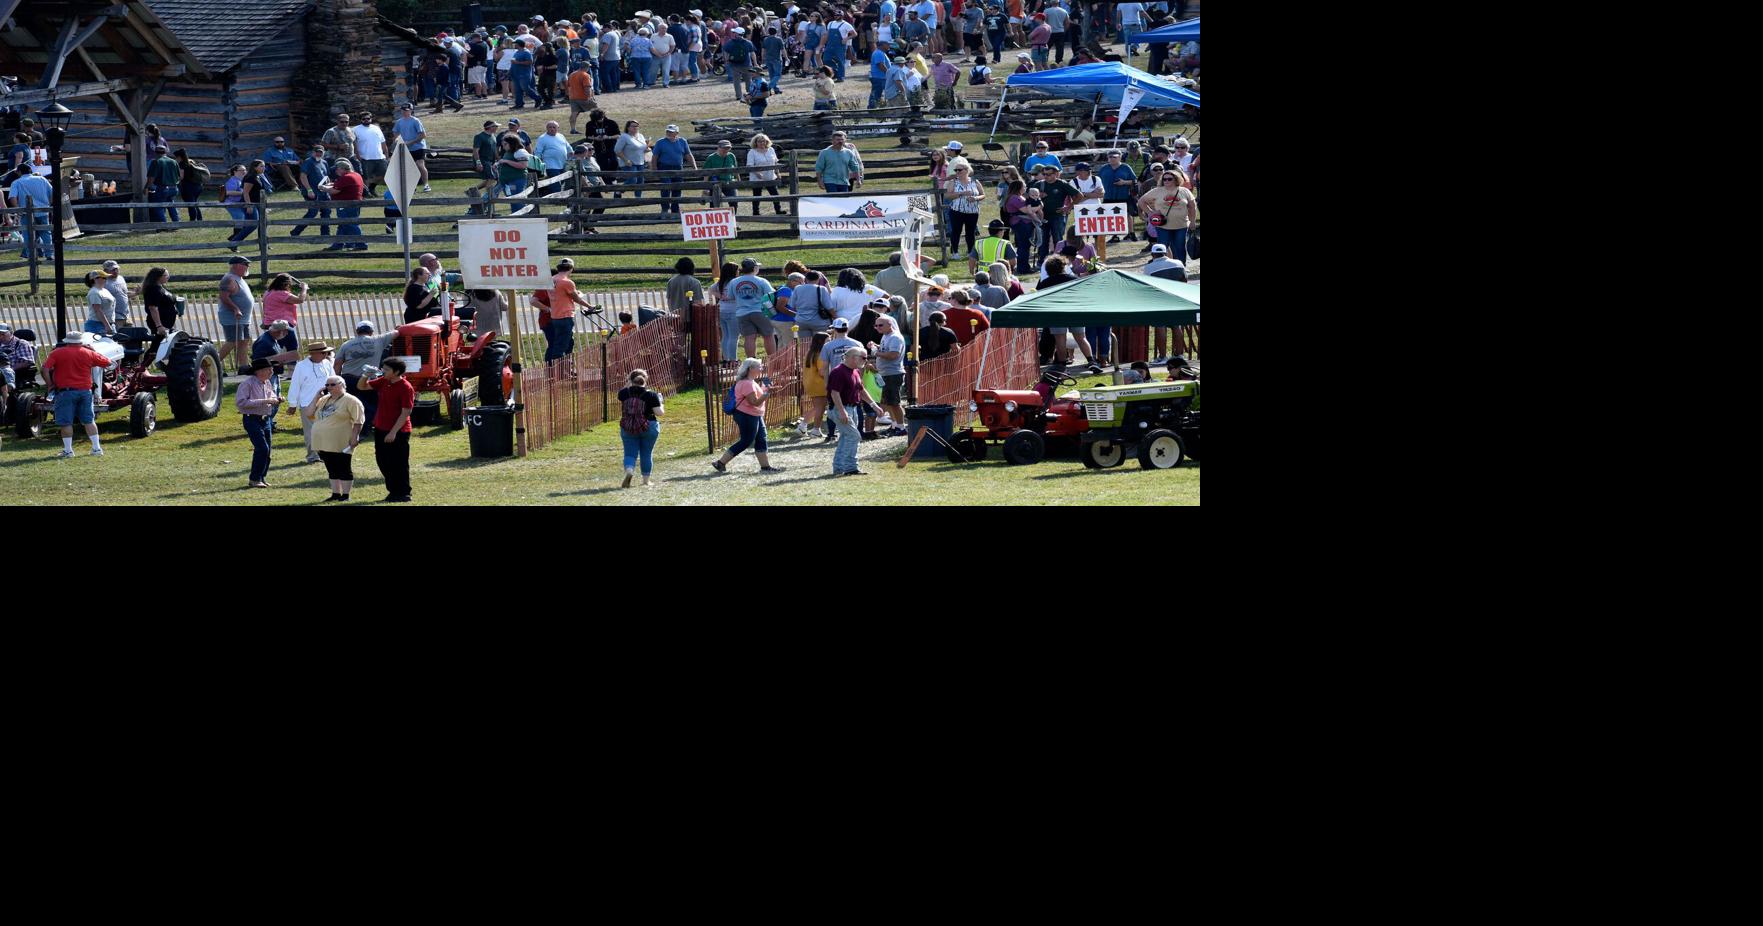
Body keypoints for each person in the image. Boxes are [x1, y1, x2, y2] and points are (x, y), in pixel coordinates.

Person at [42, 332, 111, 459]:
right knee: (89, 420)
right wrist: (93, 350)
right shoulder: (88, 352)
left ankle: (68, 450)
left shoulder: (57, 353)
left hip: (65, 392)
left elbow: (45, 369)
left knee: (66, 422)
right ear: (81, 341)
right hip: (85, 391)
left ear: (67, 341)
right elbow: (107, 362)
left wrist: (50, 384)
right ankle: (96, 448)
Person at [711, 357, 781, 473]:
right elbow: (754, 402)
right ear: (750, 369)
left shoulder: (751, 382)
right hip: (747, 415)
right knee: (746, 441)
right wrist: (767, 393)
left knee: (761, 439)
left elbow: (758, 398)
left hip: (754, 415)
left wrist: (767, 390)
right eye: (759, 366)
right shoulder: (747, 384)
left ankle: (765, 467)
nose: (761, 368)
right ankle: (720, 463)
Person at [360, 357, 415, 502]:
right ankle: (393, 491)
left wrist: (393, 432)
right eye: (383, 368)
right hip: (380, 428)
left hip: (398, 431)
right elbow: (362, 387)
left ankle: (404, 493)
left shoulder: (406, 387)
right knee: (383, 461)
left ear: (396, 372)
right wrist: (366, 374)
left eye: (386, 369)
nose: (383, 371)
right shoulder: (384, 381)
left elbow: (406, 412)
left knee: (399, 463)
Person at [306, 374, 365, 502]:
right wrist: (316, 396)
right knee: (331, 468)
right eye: (327, 385)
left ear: (342, 385)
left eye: (333, 384)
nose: (329, 387)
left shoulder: (351, 400)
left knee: (343, 467)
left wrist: (355, 437)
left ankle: (345, 495)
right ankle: (335, 494)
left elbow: (358, 421)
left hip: (341, 441)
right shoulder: (324, 399)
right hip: (322, 440)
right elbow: (309, 413)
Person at [827, 345, 879, 475]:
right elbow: (834, 393)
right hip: (842, 409)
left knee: (847, 437)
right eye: (863, 358)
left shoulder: (855, 371)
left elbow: (861, 390)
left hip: (853, 409)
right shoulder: (838, 371)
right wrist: (842, 411)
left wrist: (873, 405)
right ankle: (846, 467)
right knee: (854, 436)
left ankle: (844, 468)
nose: (865, 361)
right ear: (853, 358)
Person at [287, 341, 335, 464]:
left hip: (326, 402)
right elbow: (295, 386)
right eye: (323, 353)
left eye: (326, 353)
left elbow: (334, 380)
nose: (326, 355)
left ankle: (325, 453)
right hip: (308, 403)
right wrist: (292, 404)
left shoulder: (327, 364)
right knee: (312, 431)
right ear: (314, 354)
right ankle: (313, 456)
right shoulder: (301, 366)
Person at [235, 357, 281, 485]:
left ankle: (261, 477)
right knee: (262, 449)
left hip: (266, 420)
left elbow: (271, 395)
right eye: (268, 369)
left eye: (271, 369)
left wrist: (276, 399)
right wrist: (265, 401)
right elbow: (241, 403)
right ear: (258, 371)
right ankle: (254, 479)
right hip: (252, 419)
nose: (271, 371)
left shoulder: (267, 382)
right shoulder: (247, 384)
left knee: (268, 450)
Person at [616, 368, 664, 487]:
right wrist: (661, 402)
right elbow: (659, 413)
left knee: (629, 453)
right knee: (646, 453)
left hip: (628, 427)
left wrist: (629, 382)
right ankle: (646, 481)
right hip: (648, 426)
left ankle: (629, 471)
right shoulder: (651, 395)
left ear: (630, 380)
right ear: (645, 380)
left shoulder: (624, 394)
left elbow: (623, 390)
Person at [1138, 169, 1197, 258]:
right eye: (1164, 179)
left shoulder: (1184, 191)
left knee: (1180, 247)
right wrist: (1151, 213)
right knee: (1163, 247)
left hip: (1181, 225)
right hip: (1163, 226)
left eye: (1169, 179)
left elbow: (1192, 207)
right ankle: (1166, 266)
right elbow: (1141, 201)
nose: (1166, 181)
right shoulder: (1157, 191)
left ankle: (1181, 267)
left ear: (1176, 179)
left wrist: (1192, 221)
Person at [335, 320, 387, 421]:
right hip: (369, 379)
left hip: (349, 378)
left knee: (350, 403)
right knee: (369, 405)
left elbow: (337, 363)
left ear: (357, 331)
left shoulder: (346, 344)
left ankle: (351, 424)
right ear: (371, 331)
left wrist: (338, 380)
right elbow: (397, 332)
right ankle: (365, 428)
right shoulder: (379, 340)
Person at [727, 257, 776, 360]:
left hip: (742, 313)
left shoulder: (734, 282)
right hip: (760, 311)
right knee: (768, 336)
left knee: (749, 338)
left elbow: (730, 297)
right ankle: (772, 359)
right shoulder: (761, 280)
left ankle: (751, 361)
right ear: (754, 268)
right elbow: (771, 294)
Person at [1032, 164, 1080, 265]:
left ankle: (1059, 262)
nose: (1046, 176)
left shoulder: (1062, 184)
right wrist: (1036, 196)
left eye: (1049, 174)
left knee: (1058, 240)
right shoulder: (1038, 184)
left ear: (1056, 174)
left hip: (1057, 216)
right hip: (1042, 217)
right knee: (1042, 240)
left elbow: (1079, 196)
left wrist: (1068, 207)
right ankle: (1042, 262)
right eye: (1044, 174)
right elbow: (1027, 197)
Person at [548, 258, 595, 362]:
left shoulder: (552, 279)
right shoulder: (567, 282)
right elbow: (576, 299)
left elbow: (562, 294)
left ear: (558, 268)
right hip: (565, 316)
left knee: (567, 343)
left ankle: (565, 369)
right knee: (561, 347)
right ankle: (559, 372)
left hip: (555, 315)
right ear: (571, 268)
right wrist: (589, 306)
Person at [872, 314, 907, 436]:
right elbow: (886, 350)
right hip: (886, 373)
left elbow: (893, 355)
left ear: (890, 325)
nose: (877, 327)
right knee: (888, 402)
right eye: (876, 325)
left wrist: (877, 353)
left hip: (893, 373)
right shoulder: (886, 336)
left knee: (895, 403)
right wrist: (876, 346)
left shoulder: (895, 337)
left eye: (880, 325)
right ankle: (894, 425)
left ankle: (901, 427)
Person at [321, 158, 366, 250]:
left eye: (337, 169)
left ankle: (361, 244)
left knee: (351, 225)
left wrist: (324, 188)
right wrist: (330, 185)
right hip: (353, 204)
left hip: (346, 205)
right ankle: (339, 244)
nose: (336, 171)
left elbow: (334, 191)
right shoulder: (355, 175)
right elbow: (338, 185)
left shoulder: (346, 177)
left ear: (343, 169)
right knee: (343, 225)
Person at [291, 145, 332, 237]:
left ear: (324, 152)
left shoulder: (324, 162)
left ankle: (325, 234)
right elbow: (303, 176)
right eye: (317, 151)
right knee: (312, 212)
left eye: (321, 152)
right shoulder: (308, 162)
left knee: (326, 212)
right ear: (313, 152)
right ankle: (296, 232)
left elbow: (326, 177)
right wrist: (309, 190)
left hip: (323, 192)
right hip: (312, 192)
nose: (318, 153)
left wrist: (329, 188)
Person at [252, 319, 301, 396]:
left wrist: (279, 362)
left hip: (273, 374)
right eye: (285, 332)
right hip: (267, 377)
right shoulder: (264, 342)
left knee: (276, 397)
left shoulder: (273, 339)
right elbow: (257, 362)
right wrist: (274, 363)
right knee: (270, 399)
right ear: (279, 332)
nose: (287, 333)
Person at [797, 330, 830, 438]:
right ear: (822, 342)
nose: (829, 343)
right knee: (820, 408)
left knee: (817, 407)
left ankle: (803, 426)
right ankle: (816, 430)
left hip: (810, 383)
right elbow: (822, 371)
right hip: (819, 384)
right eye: (828, 341)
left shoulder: (810, 352)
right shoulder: (820, 354)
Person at [352, 113, 387, 194]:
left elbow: (383, 142)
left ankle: (371, 188)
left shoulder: (377, 128)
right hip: (365, 157)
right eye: (363, 119)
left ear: (371, 119)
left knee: (384, 175)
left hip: (380, 157)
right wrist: (358, 156)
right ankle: (367, 193)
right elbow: (354, 145)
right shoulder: (355, 129)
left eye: (368, 118)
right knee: (366, 177)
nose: (366, 120)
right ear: (360, 120)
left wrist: (386, 154)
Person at [614, 120, 649, 200]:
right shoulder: (624, 137)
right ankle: (618, 191)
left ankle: (638, 198)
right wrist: (626, 160)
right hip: (628, 163)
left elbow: (641, 148)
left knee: (640, 181)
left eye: (637, 126)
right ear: (628, 127)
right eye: (633, 126)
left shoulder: (641, 136)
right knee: (632, 180)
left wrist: (646, 149)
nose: (635, 127)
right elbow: (617, 150)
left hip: (640, 162)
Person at [146, 146, 182, 223]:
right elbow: (179, 177)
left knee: (158, 206)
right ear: (165, 152)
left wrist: (146, 187)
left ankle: (163, 225)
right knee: (171, 204)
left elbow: (151, 178)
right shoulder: (173, 161)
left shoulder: (156, 161)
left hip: (162, 188)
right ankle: (176, 222)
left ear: (155, 152)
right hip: (174, 188)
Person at [666, 257, 702, 322]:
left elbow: (669, 300)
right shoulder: (694, 282)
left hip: (675, 317)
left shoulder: (671, 281)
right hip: (690, 317)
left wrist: (672, 312)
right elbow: (698, 302)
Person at [565, 58, 596, 133]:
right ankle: (597, 126)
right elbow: (587, 87)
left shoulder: (572, 74)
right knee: (596, 111)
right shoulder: (585, 75)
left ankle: (573, 129)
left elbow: (568, 86)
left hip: (572, 97)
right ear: (586, 67)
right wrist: (590, 97)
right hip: (583, 97)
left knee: (574, 113)